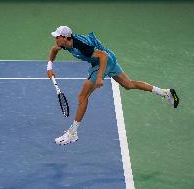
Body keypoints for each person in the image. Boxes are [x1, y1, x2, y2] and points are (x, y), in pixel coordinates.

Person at [47, 26, 179, 145]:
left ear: (65, 37)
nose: (55, 39)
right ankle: (165, 92)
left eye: (57, 37)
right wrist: (49, 66)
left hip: (103, 61)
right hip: (109, 57)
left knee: (82, 97)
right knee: (128, 84)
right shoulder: (64, 43)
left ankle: (72, 133)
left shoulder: (80, 45)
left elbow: (102, 56)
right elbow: (54, 50)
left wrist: (99, 77)